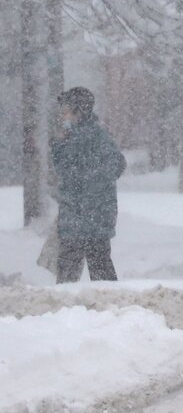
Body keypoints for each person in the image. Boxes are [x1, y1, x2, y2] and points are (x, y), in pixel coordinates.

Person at [51, 87, 126, 283]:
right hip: (87, 218)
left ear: (79, 111)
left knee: (74, 270)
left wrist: (82, 196)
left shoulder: (91, 138)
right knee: (96, 267)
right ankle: (107, 305)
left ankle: (66, 309)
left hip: (87, 218)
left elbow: (112, 167)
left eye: (66, 109)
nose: (63, 114)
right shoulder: (78, 136)